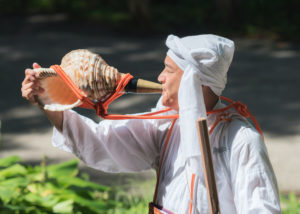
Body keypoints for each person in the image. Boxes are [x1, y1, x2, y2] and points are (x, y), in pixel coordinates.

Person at [21, 34, 281, 213]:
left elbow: (262, 209)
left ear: (194, 81)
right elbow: (102, 144)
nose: (160, 77)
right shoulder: (168, 124)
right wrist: (48, 99)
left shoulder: (240, 139)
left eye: (169, 70)